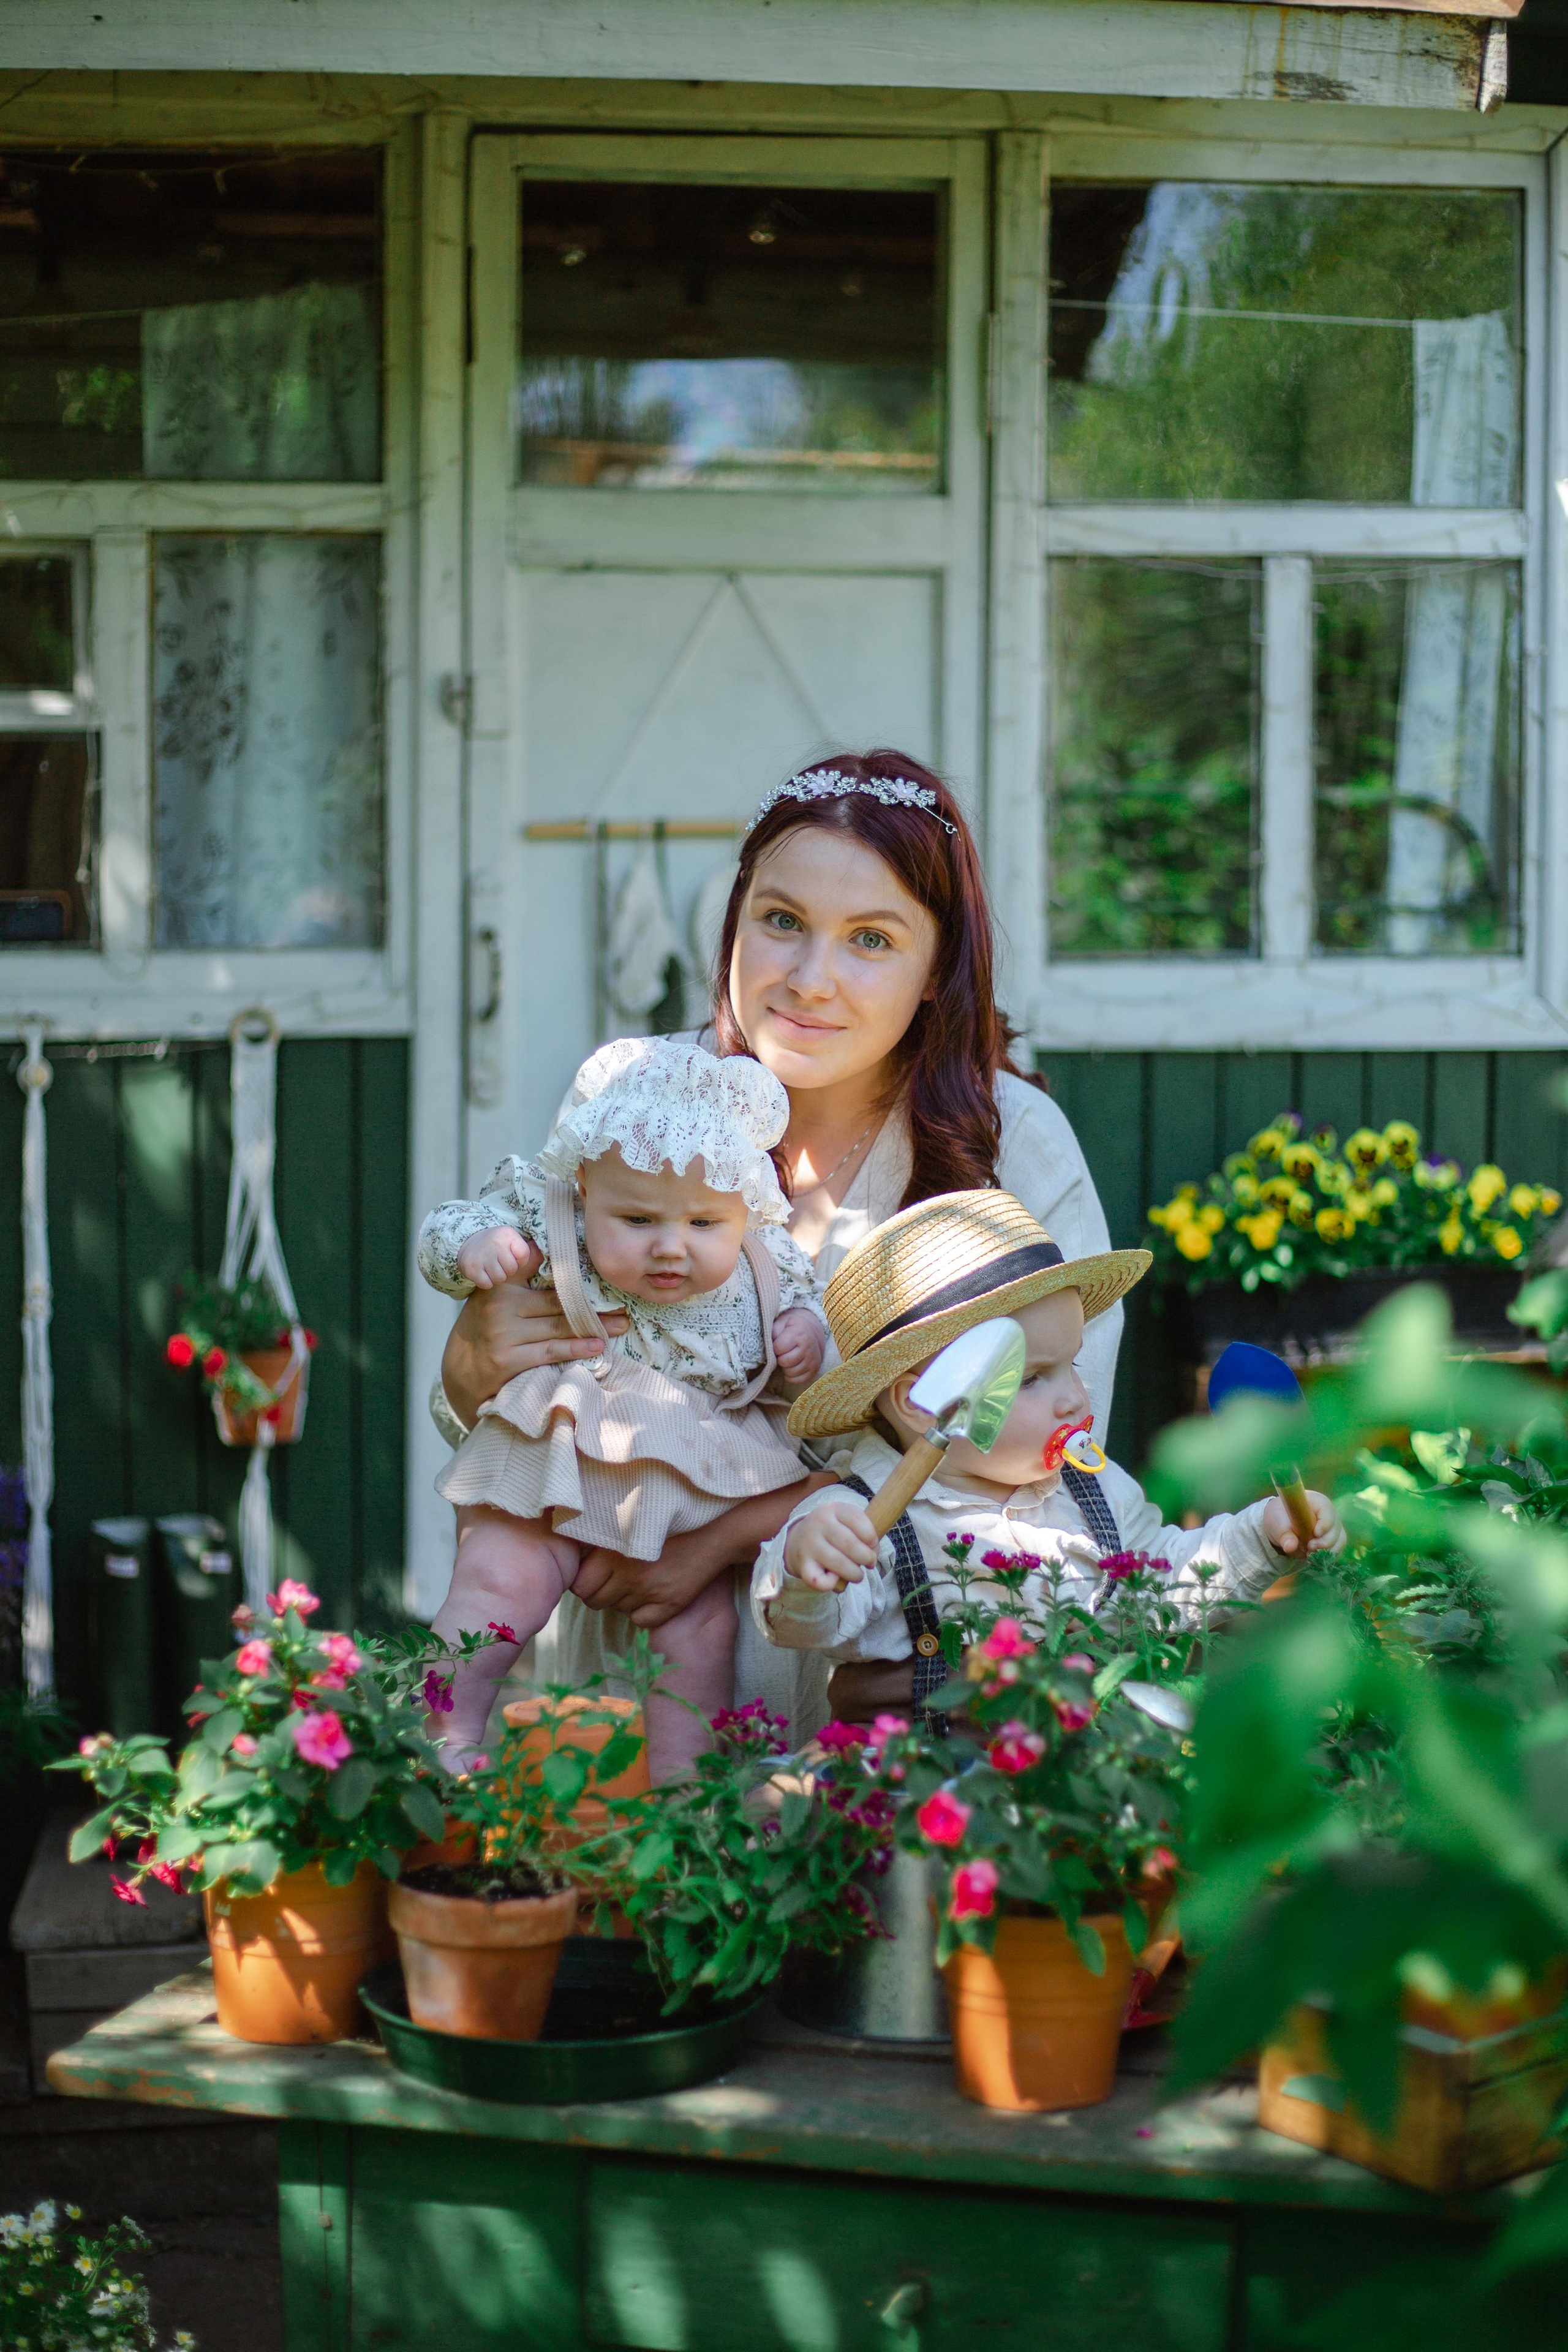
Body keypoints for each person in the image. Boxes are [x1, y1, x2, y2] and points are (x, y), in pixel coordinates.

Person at [437, 750, 1123, 1741]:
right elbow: (506, 1390)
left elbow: (1046, 1437)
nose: (809, 979)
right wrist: (470, 1365)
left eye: (871, 940)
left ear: (939, 970)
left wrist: (722, 1538)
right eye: (782, 921)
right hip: (632, 1638)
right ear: (735, 922)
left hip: (897, 1668)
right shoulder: (639, 1105)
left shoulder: (1015, 1144)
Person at [752, 1190, 1343, 1706]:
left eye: (1072, 1365)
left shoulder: (1092, 1487)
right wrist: (807, 1566)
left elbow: (1162, 1583)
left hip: (1081, 1788)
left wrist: (1259, 1535)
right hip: (933, 1798)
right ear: (921, 1402)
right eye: (1031, 1378)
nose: (1073, 1400)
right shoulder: (864, 1517)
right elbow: (811, 1626)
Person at [417, 1036, 826, 1777]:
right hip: (559, 1449)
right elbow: (445, 1226)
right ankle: (442, 1733)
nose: (671, 1248)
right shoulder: (552, 1220)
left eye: (705, 1225)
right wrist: (479, 1245)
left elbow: (808, 1314)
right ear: (584, 1192)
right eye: (637, 1222)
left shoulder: (769, 1262)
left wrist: (806, 1336)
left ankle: (682, 1795)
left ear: (746, 1209)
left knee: (700, 1633)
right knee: (498, 1581)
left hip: (686, 1488)